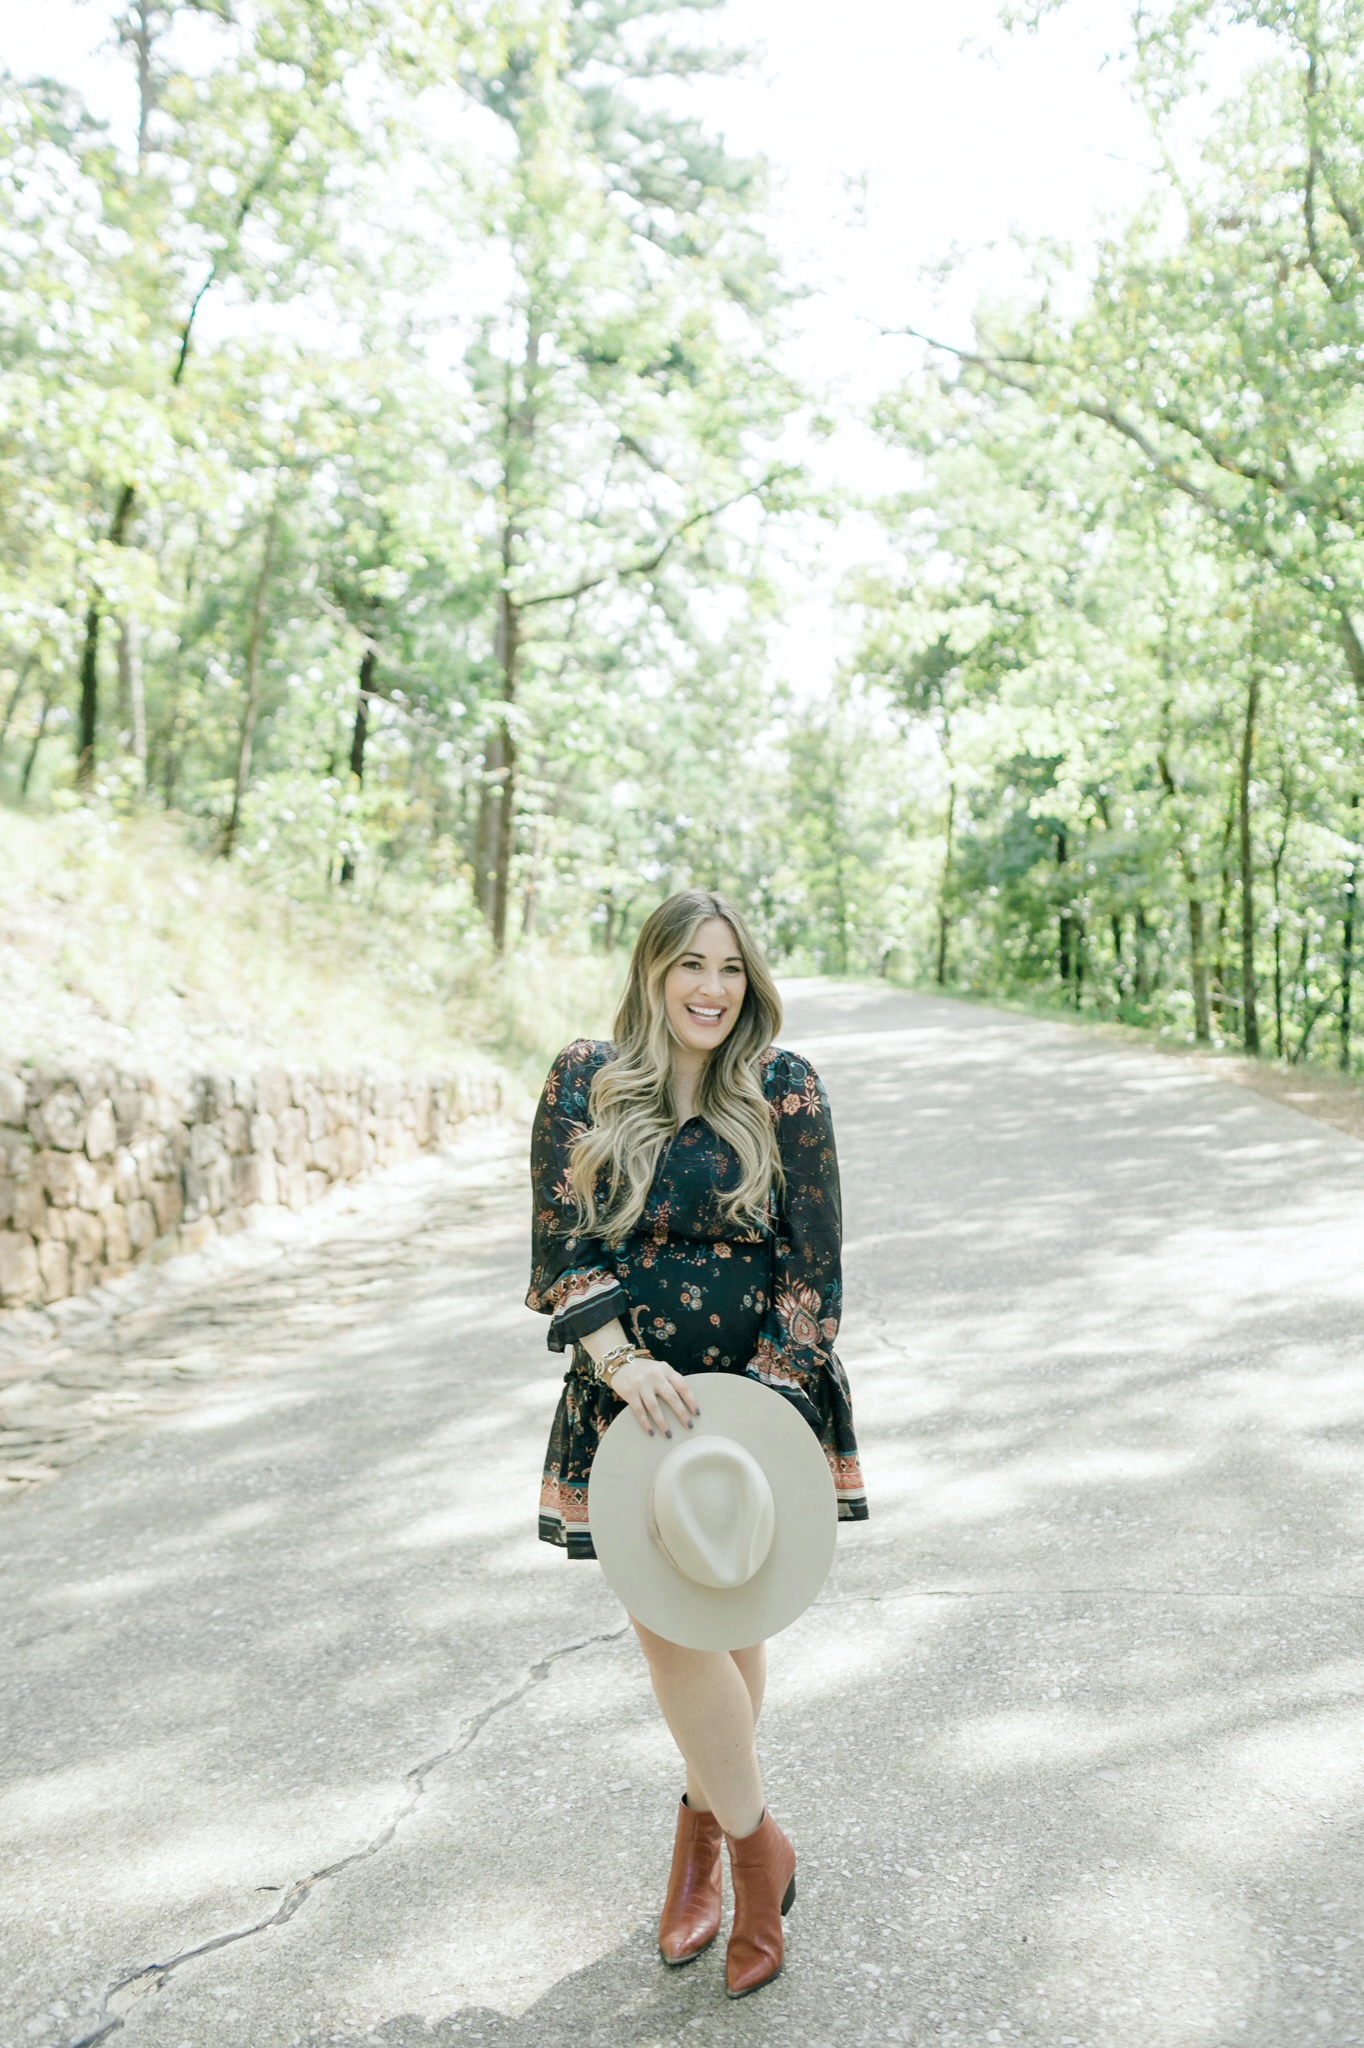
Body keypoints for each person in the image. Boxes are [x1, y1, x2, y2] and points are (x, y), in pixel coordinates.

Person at [526, 887, 867, 1998]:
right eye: (689, 964)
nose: (711, 987)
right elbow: (560, 1244)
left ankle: (699, 1837)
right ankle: (757, 1850)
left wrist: (758, 1405)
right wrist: (621, 1363)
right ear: (651, 970)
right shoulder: (584, 1076)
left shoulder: (785, 1087)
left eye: (729, 966)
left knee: (727, 1605)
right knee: (672, 1624)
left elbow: (811, 1265)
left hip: (759, 1396)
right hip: (631, 1399)